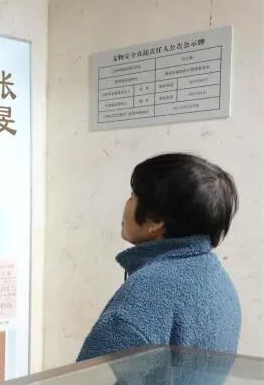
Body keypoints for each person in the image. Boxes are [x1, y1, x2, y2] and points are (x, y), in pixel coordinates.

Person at [78, 154, 240, 361]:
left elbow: (89, 379)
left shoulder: (143, 296)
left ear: (155, 221)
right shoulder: (218, 279)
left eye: (133, 196)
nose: (126, 204)